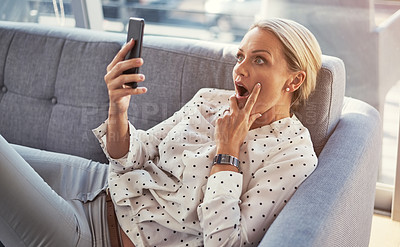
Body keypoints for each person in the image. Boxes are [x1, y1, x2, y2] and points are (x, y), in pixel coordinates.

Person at [0, 18, 321, 247]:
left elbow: (226, 242)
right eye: (241, 56)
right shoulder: (210, 100)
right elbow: (133, 156)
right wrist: (117, 106)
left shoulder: (292, 155)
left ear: (293, 81)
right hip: (95, 183)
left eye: (259, 60)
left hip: (97, 236)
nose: (240, 69)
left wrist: (228, 153)